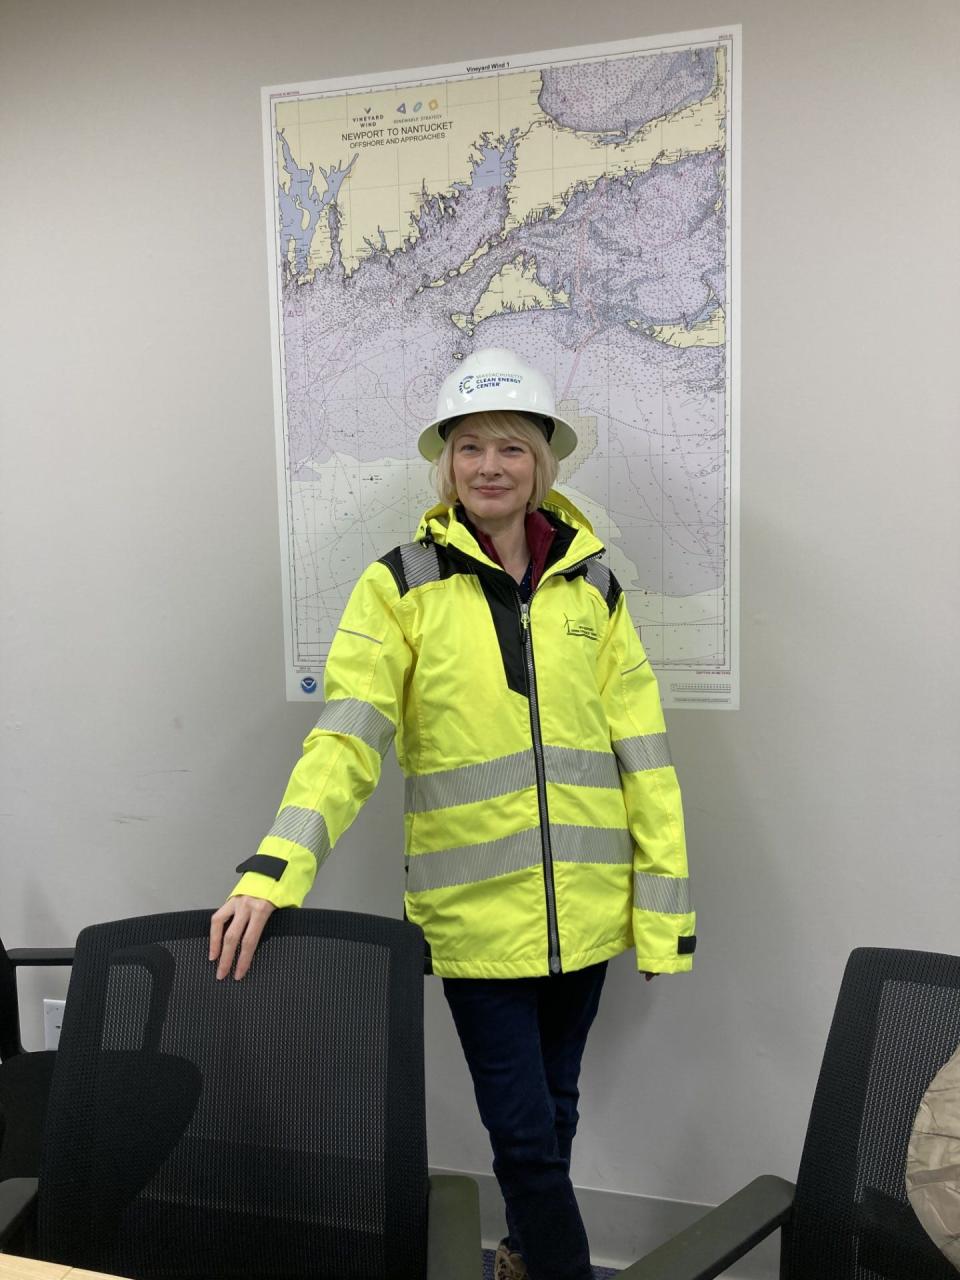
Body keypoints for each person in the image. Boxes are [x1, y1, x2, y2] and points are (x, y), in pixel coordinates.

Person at [209, 347, 695, 1280]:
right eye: (469, 447)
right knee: (524, 1134)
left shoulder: (595, 589)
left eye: (509, 447)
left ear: (542, 463)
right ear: (446, 464)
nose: (488, 467)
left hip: (588, 916)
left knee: (555, 1109)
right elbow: (345, 741)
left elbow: (645, 760)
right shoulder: (400, 586)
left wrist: (662, 917)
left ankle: (517, 1256)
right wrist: (275, 870)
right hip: (476, 923)